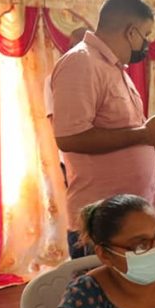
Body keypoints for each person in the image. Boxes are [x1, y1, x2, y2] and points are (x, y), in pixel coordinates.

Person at [51, 0, 155, 259]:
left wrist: (146, 134)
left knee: (137, 297)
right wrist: (144, 134)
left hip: (128, 219)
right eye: (146, 34)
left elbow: (118, 129)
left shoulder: (114, 68)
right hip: (103, 226)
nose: (147, 43)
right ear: (131, 32)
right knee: (103, 299)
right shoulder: (81, 63)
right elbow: (69, 138)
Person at [45, 26, 88, 187]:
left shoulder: (102, 75)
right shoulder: (53, 79)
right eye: (72, 47)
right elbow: (55, 122)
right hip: (72, 160)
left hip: (104, 161)